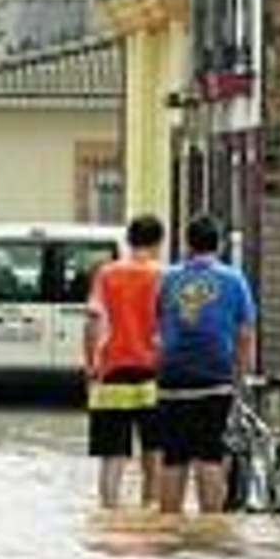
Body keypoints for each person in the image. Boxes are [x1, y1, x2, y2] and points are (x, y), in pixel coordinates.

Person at [156, 215, 257, 516]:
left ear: (187, 244)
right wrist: (239, 378)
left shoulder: (169, 278)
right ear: (220, 244)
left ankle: (169, 530)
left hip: (172, 378)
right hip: (214, 378)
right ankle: (210, 534)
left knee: (173, 457)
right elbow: (245, 334)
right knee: (210, 457)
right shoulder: (234, 280)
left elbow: (161, 324)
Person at [85, 214, 166, 510]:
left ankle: (109, 513)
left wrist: (90, 364)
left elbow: (93, 321)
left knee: (112, 457)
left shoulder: (106, 274)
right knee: (153, 453)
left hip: (112, 371)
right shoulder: (163, 276)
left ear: (128, 240)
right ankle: (150, 512)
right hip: (152, 373)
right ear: (158, 242)